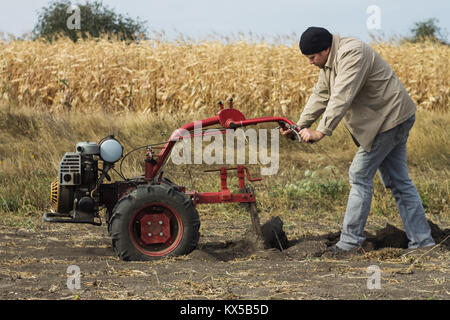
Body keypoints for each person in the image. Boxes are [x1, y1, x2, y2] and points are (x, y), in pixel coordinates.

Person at [281, 27, 435, 253]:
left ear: (325, 49)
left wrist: (321, 131)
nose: (310, 63)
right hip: (386, 120)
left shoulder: (352, 54)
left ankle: (350, 243)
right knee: (400, 182)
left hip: (390, 119)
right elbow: (321, 94)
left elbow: (342, 94)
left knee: (359, 174)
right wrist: (300, 125)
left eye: (312, 58)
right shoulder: (329, 63)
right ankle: (423, 243)